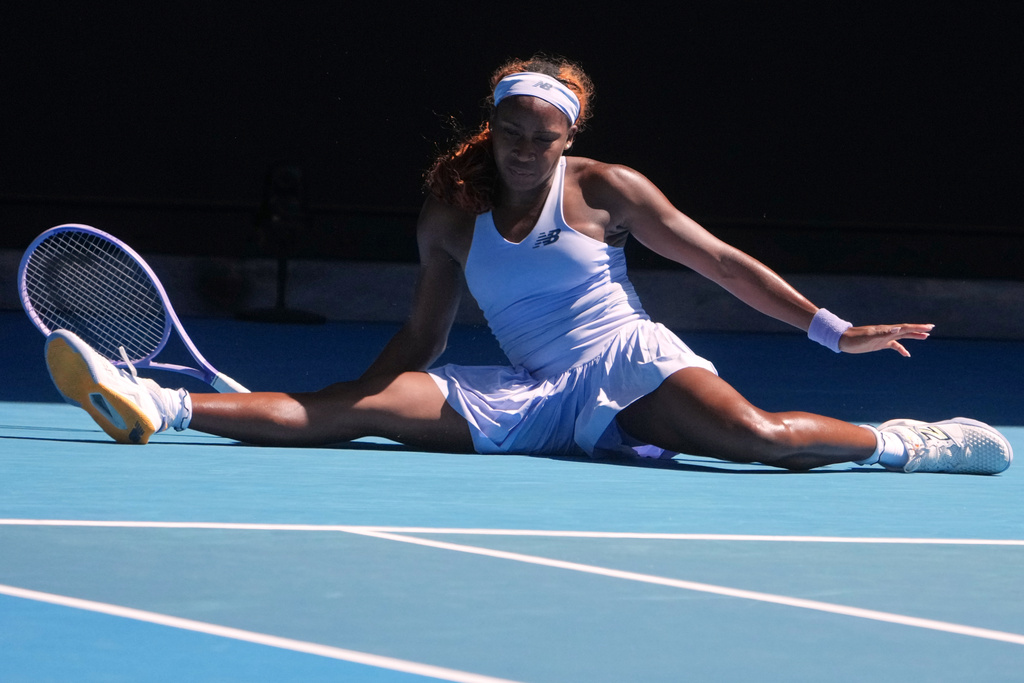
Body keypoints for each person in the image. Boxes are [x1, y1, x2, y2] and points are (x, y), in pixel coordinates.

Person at [43, 54, 1012, 475]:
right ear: (492, 123)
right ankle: (156, 403)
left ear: (568, 138)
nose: (522, 150)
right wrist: (360, 395)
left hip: (627, 360)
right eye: (510, 132)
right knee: (356, 411)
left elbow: (718, 260)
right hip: (527, 389)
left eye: (542, 139)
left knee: (758, 438)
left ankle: (904, 442)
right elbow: (422, 336)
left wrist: (831, 329)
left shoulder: (608, 189)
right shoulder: (449, 213)